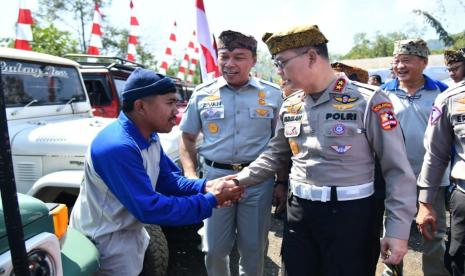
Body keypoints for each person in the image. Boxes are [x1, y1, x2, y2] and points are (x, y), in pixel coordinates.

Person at [233, 24, 417, 276]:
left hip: (351, 217)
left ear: (311, 57)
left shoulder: (368, 101)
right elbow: (273, 155)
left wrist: (397, 230)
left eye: (282, 62)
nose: (279, 71)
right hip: (299, 213)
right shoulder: (291, 105)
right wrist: (236, 180)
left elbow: (396, 170)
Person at [70, 68, 243, 276]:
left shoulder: (148, 135)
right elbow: (149, 208)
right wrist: (210, 200)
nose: (177, 111)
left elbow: (168, 181)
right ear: (141, 106)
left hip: (129, 235)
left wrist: (206, 186)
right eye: (170, 103)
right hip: (105, 245)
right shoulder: (118, 146)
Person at [179, 30, 286, 276]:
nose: (230, 64)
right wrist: (191, 176)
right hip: (215, 180)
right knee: (214, 249)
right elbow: (187, 138)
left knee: (253, 249)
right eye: (224, 56)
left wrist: (281, 181)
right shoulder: (203, 93)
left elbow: (278, 144)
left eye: (239, 57)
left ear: (254, 60)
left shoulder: (271, 94)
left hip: (258, 181)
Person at [380, 38, 450, 276]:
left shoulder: (441, 92)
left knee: (434, 232)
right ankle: (391, 272)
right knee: (392, 229)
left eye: (406, 60)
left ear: (424, 62)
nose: (400, 66)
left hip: (433, 177)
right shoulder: (382, 94)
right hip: (395, 176)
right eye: (397, 61)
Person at [416, 80, 465, 276]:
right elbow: (435, 154)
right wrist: (426, 203)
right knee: (458, 262)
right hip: (464, 195)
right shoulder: (451, 98)